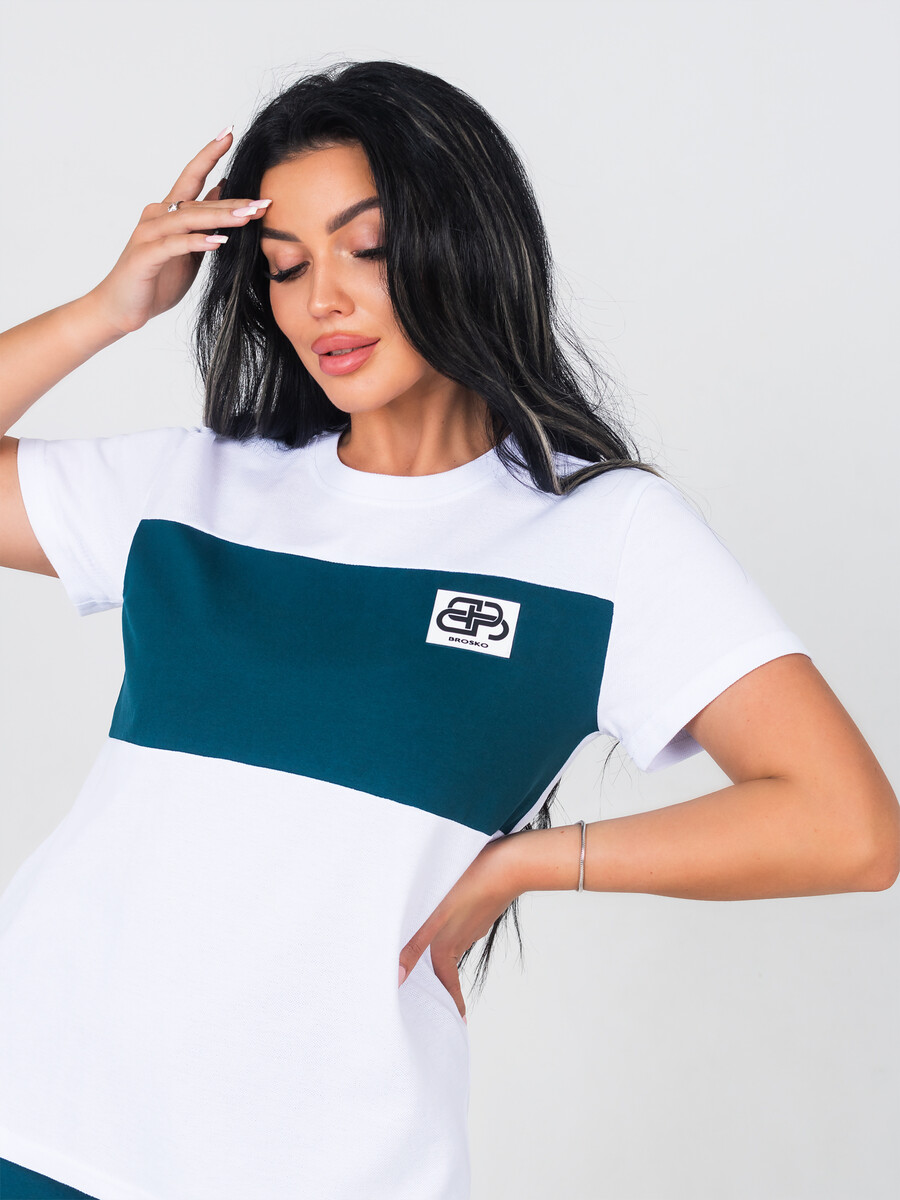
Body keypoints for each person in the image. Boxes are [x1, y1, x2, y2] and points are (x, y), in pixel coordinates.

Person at [0, 58, 897, 1200]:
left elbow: (848, 826)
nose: (321, 301)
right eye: (286, 266)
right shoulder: (194, 486)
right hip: (38, 1103)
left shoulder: (604, 534)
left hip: (324, 1161)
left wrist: (530, 861)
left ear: (462, 243)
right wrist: (106, 310)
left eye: (367, 250)